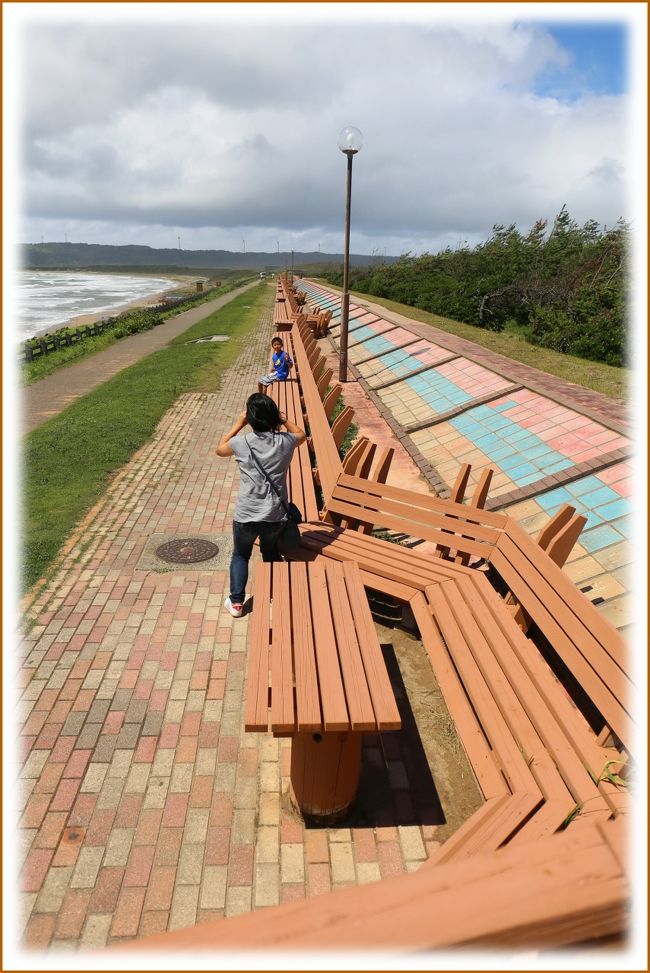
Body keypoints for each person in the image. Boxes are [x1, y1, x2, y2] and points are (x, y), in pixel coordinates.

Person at [215, 392, 306, 618]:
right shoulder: (285, 441)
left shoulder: (240, 443)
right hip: (275, 515)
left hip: (246, 514)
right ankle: (276, 595)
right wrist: (282, 419)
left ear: (251, 419)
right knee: (270, 551)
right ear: (272, 416)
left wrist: (238, 424)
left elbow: (220, 449)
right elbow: (301, 434)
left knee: (240, 555)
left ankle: (237, 603)